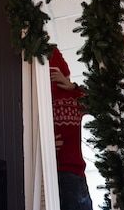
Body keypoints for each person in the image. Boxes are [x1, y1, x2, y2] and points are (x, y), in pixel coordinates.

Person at [49, 47, 93, 210]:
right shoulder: (36, 102)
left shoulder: (73, 98)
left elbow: (101, 104)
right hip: (45, 172)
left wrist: (73, 86)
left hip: (73, 172)